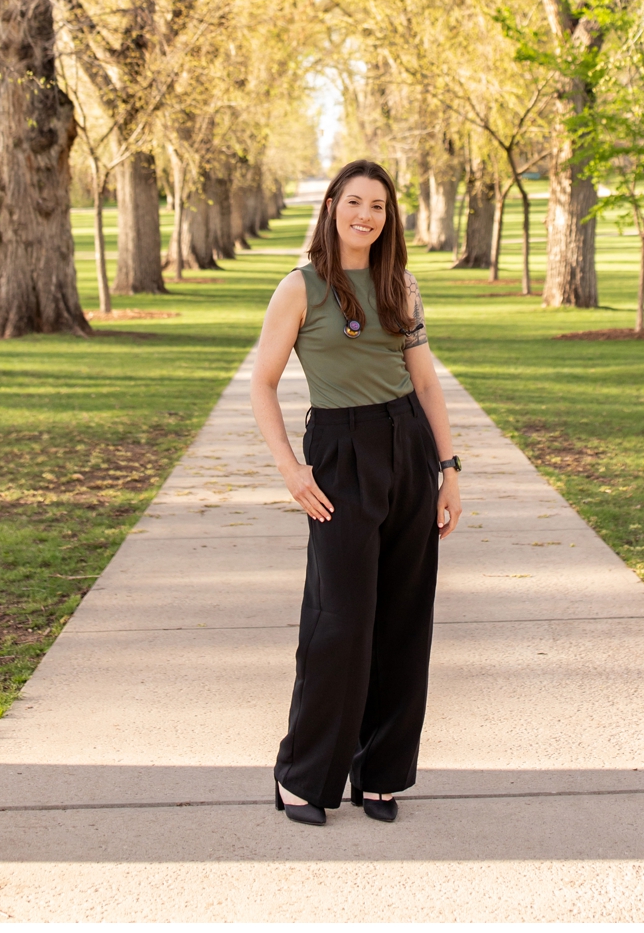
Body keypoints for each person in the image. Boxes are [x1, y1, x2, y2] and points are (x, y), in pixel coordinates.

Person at [249, 158, 461, 826]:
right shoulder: (301, 288)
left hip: (408, 449)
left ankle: (380, 774)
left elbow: (425, 384)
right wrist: (291, 468)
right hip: (341, 453)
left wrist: (449, 469)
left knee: (403, 619)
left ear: (388, 216)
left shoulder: (402, 285)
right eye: (355, 202)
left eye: (378, 206)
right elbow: (263, 383)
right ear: (333, 205)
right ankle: (304, 776)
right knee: (339, 623)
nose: (366, 215)